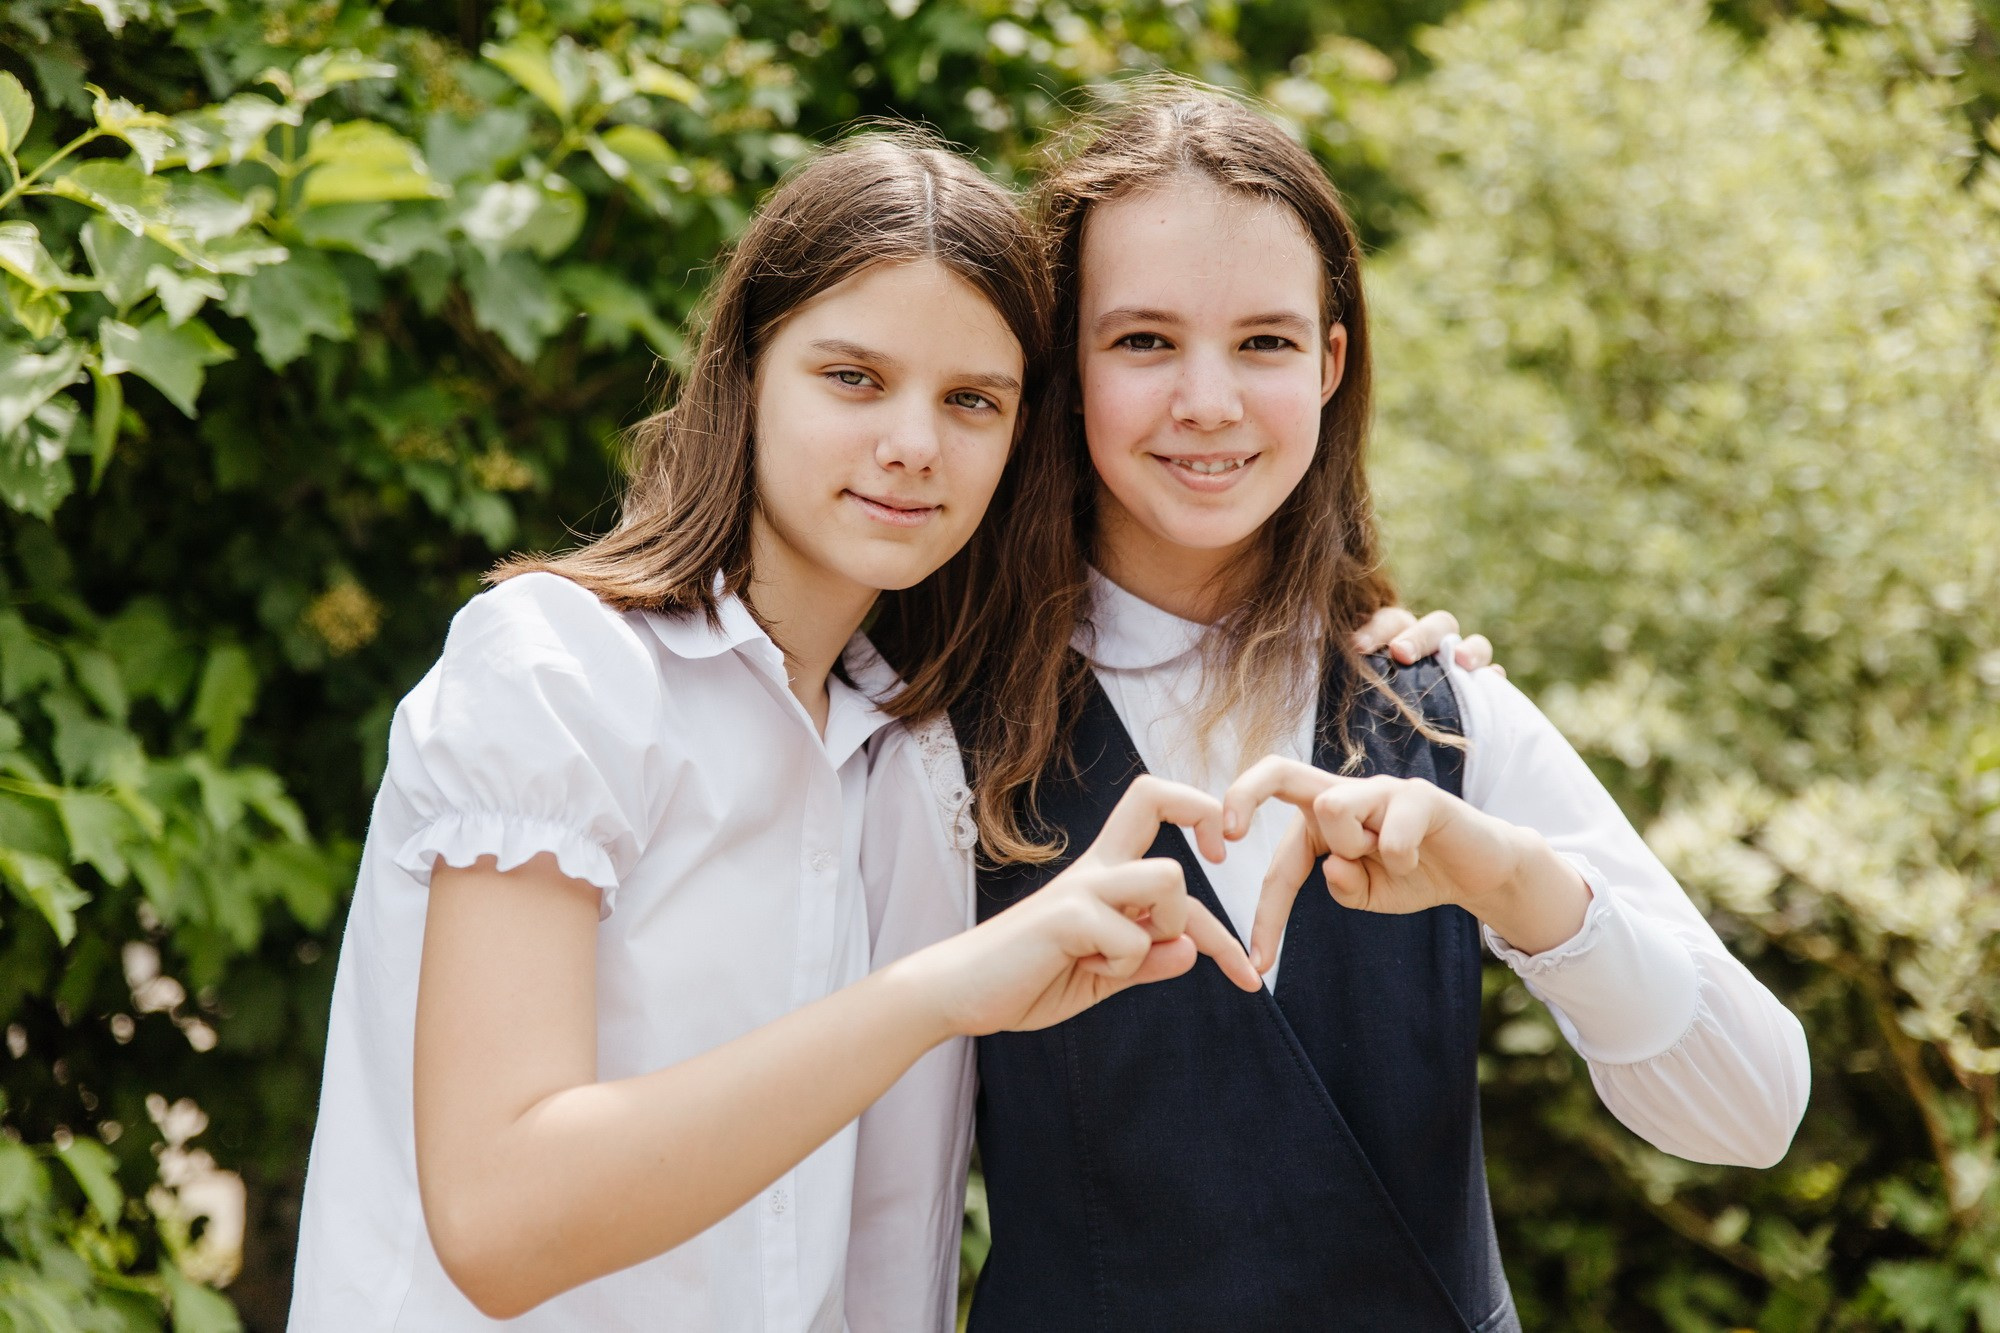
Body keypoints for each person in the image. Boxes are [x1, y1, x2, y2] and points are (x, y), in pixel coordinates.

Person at [852, 87, 1811, 1332]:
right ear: (1063, 368)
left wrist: (1505, 882)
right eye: (1142, 341)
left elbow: (1749, 1111)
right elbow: (885, 1211)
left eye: (1262, 342)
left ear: (1329, 361)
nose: (1208, 400)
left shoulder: (1438, 705)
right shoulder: (935, 732)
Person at [286, 130, 1268, 1332]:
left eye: (972, 400)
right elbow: (499, 1220)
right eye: (852, 377)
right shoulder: (556, 673)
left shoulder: (914, 757)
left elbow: (882, 1259)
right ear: (746, 372)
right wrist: (931, 994)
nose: (913, 442)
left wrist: (1388, 643)